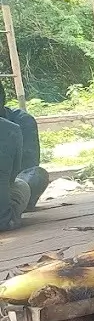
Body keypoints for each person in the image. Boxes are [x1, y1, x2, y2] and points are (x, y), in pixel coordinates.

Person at [0, 79, 48, 231]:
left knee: (33, 174)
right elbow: (17, 174)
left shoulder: (20, 121)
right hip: (5, 212)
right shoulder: (12, 128)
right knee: (35, 176)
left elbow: (27, 165)